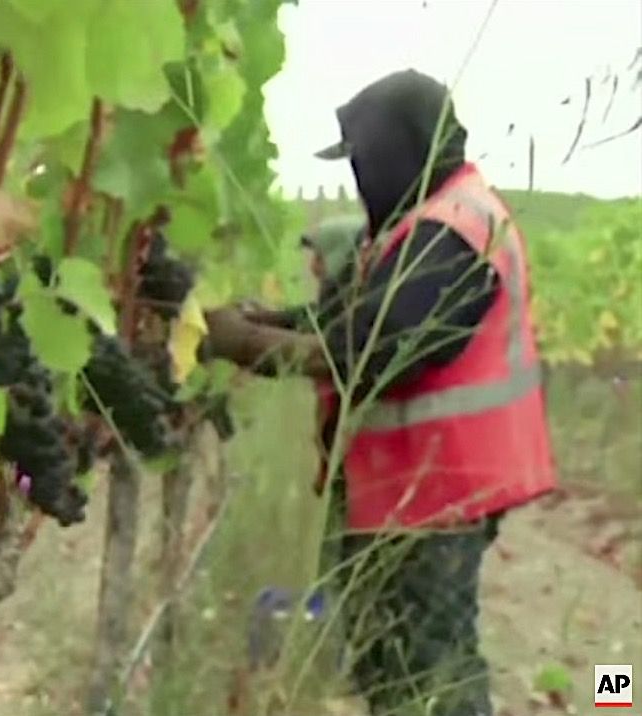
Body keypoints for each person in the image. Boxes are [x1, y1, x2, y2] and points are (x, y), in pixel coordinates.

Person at [199, 69, 558, 715]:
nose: (357, 177)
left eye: (362, 158)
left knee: (426, 672)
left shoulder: (453, 231)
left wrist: (240, 343)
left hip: (438, 493)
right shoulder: (416, 223)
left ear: (402, 150)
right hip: (408, 494)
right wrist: (269, 321)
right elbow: (347, 319)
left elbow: (368, 353)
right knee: (390, 660)